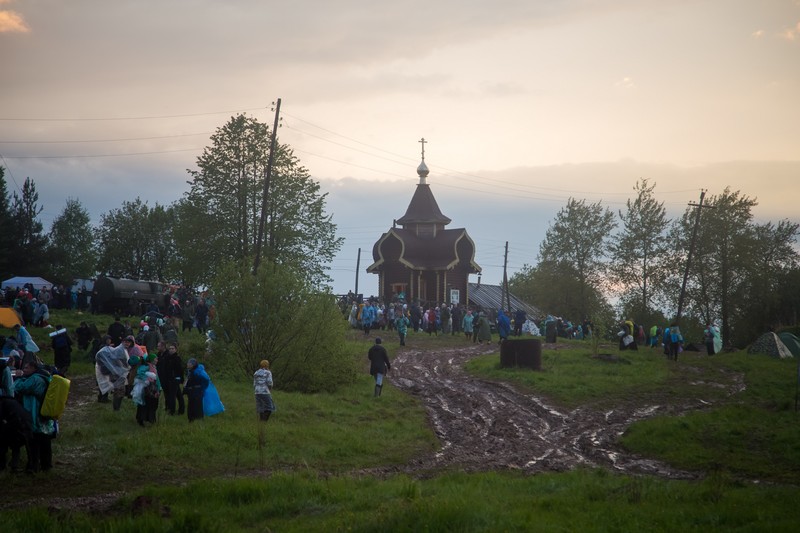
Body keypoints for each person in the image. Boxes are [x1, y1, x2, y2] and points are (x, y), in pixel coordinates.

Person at [13, 361, 56, 473]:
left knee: (33, 442)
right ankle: (46, 466)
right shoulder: (45, 377)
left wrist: (18, 377)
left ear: (33, 368)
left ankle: (33, 467)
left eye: (26, 368)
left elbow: (19, 387)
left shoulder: (35, 379)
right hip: (44, 415)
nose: (25, 370)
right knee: (45, 441)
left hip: (35, 415)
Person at [157, 343, 184, 416]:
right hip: (169, 378)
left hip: (174, 379)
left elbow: (180, 370)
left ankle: (171, 411)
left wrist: (180, 379)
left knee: (172, 396)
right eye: (170, 349)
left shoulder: (177, 358)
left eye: (173, 349)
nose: (171, 350)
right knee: (178, 395)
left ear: (176, 349)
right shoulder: (168, 357)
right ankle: (181, 410)